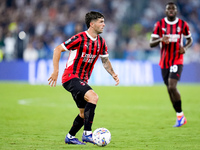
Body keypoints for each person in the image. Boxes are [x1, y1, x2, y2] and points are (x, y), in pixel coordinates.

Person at [48, 11, 119, 145]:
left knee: (83, 113)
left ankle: (70, 136)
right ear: (92, 24)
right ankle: (87, 133)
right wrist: (55, 71)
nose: (104, 24)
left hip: (82, 80)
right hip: (70, 77)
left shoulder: (101, 42)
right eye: (101, 22)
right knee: (93, 97)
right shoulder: (80, 38)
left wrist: (113, 73)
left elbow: (105, 61)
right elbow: (57, 49)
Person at [150, 2, 193, 127]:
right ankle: (180, 116)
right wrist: (160, 39)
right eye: (168, 8)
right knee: (169, 89)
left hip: (177, 59)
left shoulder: (183, 24)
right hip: (164, 62)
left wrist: (185, 47)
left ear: (176, 11)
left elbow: (189, 39)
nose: (171, 10)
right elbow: (151, 43)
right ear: (165, 11)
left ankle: (180, 115)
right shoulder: (159, 24)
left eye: (173, 8)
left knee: (172, 86)